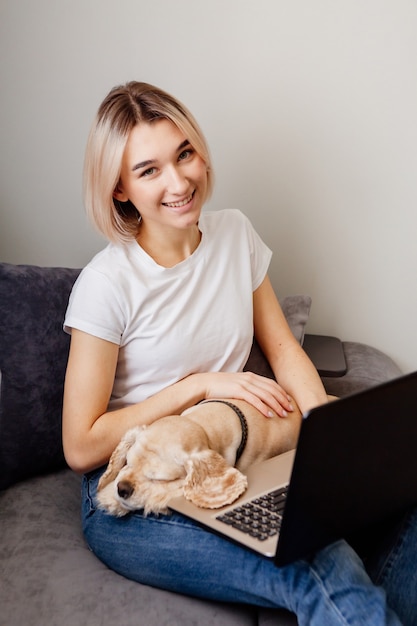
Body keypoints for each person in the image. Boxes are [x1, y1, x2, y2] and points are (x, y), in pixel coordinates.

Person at [62, 81, 416, 625]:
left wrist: (331, 437)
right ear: (119, 190)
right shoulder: (106, 283)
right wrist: (201, 385)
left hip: (231, 455)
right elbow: (81, 446)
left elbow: (282, 349)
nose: (180, 182)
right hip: (136, 491)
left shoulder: (235, 234)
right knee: (315, 562)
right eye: (149, 170)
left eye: (185, 154)